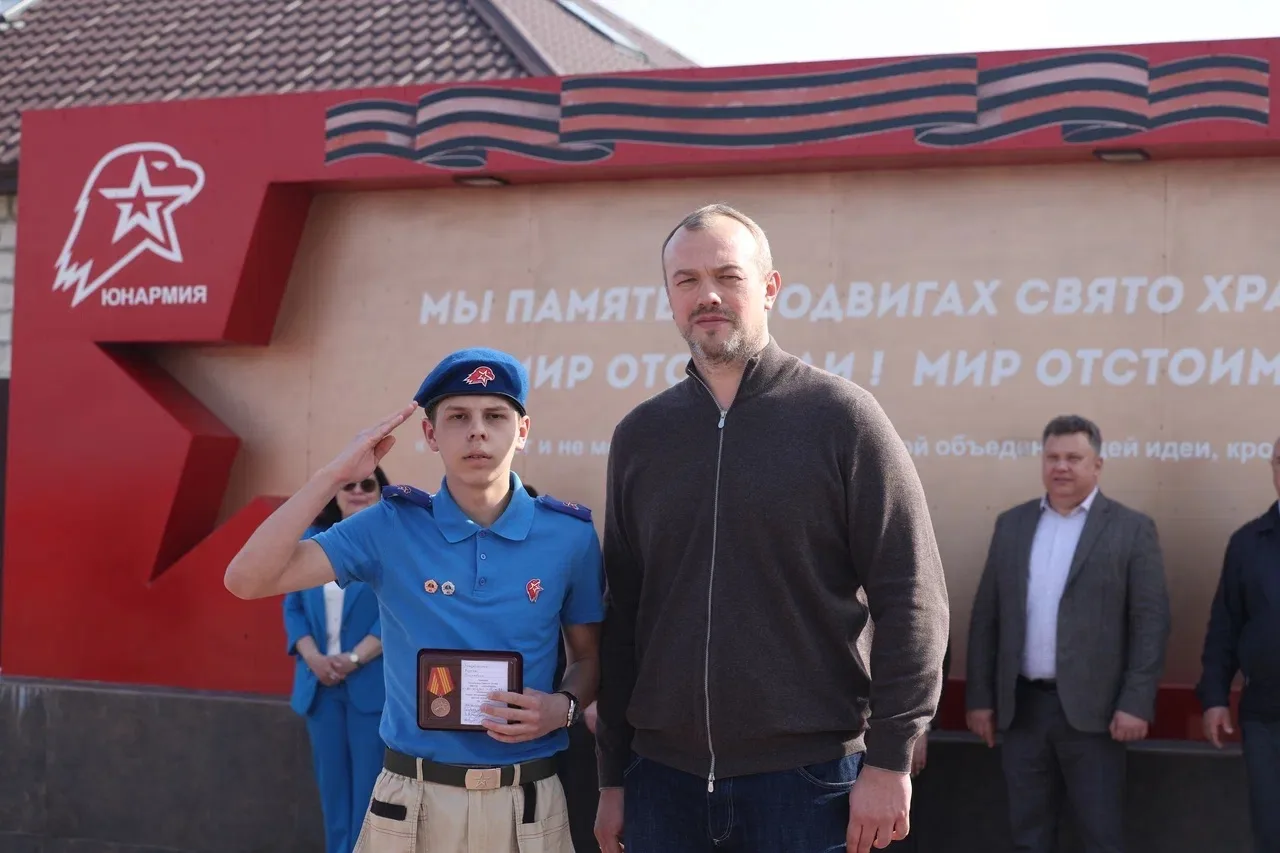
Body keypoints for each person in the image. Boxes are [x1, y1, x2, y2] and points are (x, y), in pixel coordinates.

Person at [593, 203, 950, 853]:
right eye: (687, 280)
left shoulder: (842, 418)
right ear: (670, 297)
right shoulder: (641, 437)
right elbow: (623, 618)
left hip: (809, 785)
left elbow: (912, 594)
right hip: (662, 785)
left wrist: (891, 758)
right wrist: (612, 777)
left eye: (728, 276)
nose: (707, 295)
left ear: (769, 287)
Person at [225, 348, 604, 853]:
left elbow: (588, 658)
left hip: (528, 804)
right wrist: (333, 475)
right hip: (411, 803)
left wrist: (564, 707)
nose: (477, 431)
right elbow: (247, 579)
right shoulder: (391, 526)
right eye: (458, 417)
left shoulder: (569, 535)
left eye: (495, 416)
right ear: (430, 434)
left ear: (523, 430)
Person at [965, 414, 1171, 853]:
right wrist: (980, 698)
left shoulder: (1131, 529)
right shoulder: (1012, 525)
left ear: (1097, 465)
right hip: (1023, 710)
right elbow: (986, 617)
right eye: (1052, 457)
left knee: (1101, 835)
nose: (1061, 466)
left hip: (1096, 716)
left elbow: (1150, 623)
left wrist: (1135, 702)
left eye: (1074, 458)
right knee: (1029, 835)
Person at [284, 466, 390, 853]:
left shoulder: (391, 544)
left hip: (370, 685)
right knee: (332, 791)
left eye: (368, 484)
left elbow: (395, 615)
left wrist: (354, 658)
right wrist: (313, 657)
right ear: (336, 494)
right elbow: (292, 606)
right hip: (320, 686)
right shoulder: (311, 542)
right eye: (349, 485)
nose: (358, 491)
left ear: (381, 491)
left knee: (368, 792)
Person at [1196, 437, 1280, 852]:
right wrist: (1214, 697)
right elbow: (1225, 627)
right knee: (1271, 832)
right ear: (1273, 467)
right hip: (1267, 716)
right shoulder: (1248, 542)